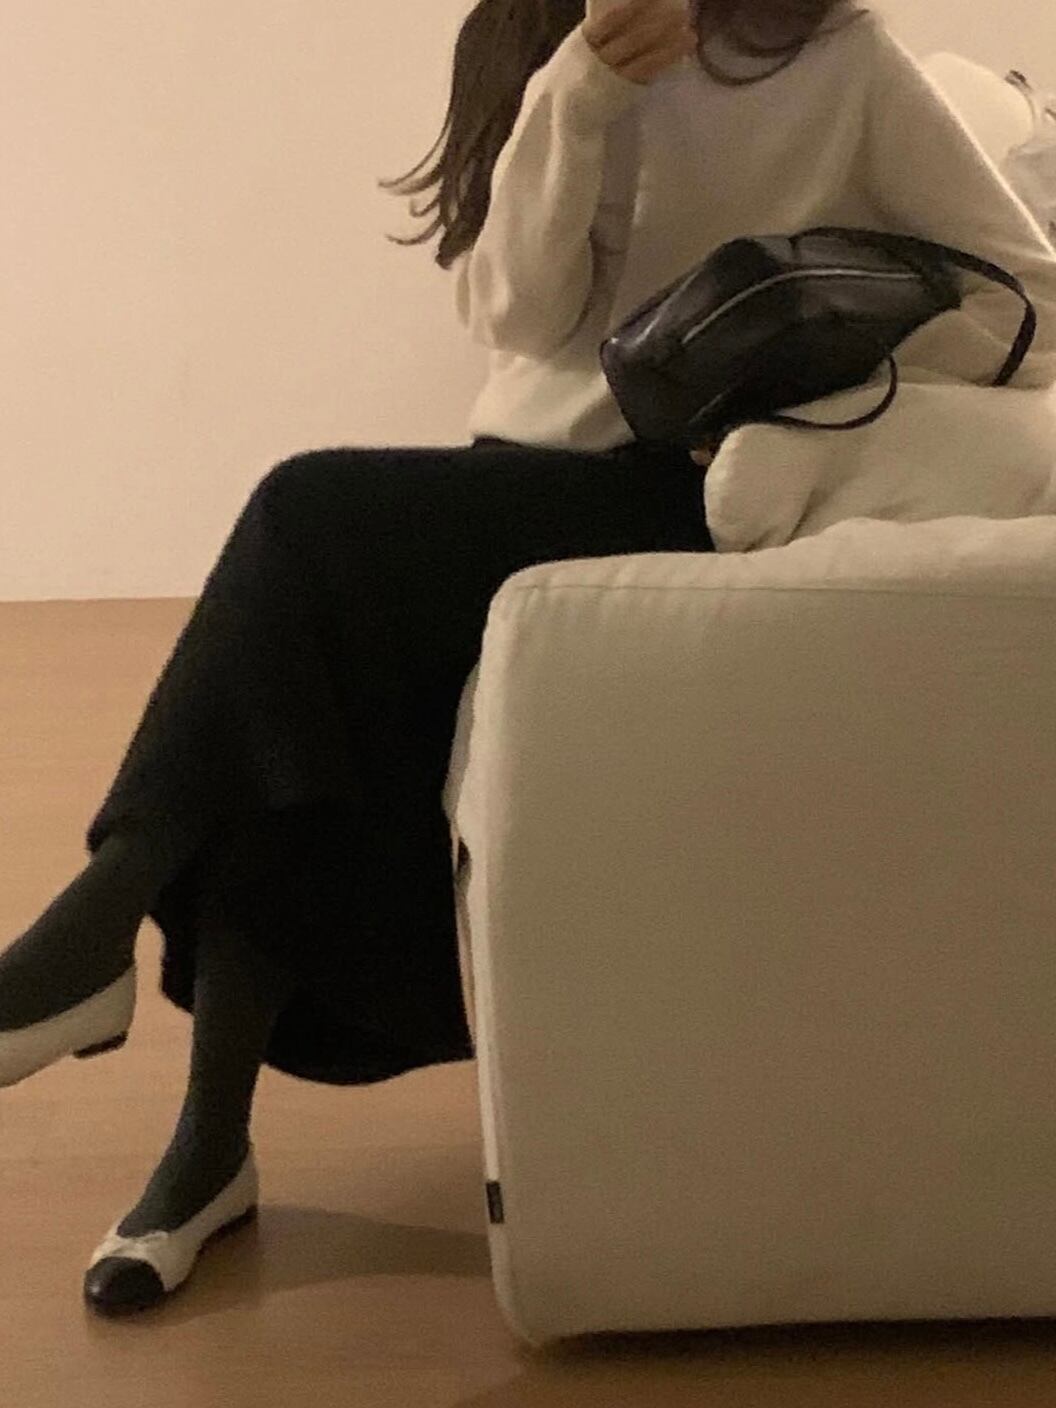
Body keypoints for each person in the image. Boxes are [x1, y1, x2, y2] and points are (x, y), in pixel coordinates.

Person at [2, 0, 1055, 1318]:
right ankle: (205, 1148)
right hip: (517, 478)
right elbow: (515, 311)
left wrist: (827, 351)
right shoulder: (531, 38)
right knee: (300, 702)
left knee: (304, 516)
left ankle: (97, 928)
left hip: (683, 487)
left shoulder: (835, 58)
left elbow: (1031, 291)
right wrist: (579, 93)